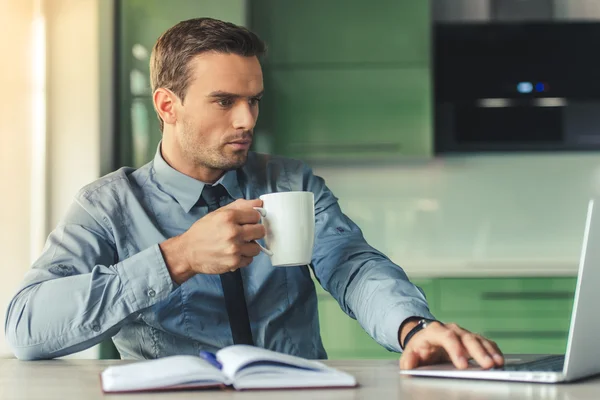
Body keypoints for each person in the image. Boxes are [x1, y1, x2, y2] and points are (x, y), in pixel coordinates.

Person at [5, 18, 504, 370]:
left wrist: (414, 328)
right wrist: (177, 257)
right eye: (224, 101)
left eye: (253, 101)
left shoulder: (291, 182)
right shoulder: (107, 205)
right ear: (167, 105)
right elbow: (26, 328)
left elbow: (352, 267)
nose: (247, 120)